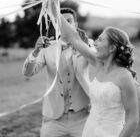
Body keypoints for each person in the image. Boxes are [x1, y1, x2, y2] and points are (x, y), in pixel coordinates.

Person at [60, 15, 139, 137]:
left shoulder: (124, 77)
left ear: (112, 48)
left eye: (100, 40)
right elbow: (74, 39)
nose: (95, 43)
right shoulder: (98, 65)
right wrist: (53, 4)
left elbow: (133, 119)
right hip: (90, 129)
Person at [22, 7, 92, 137]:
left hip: (82, 116)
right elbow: (28, 73)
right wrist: (36, 51)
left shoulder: (87, 44)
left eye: (69, 21)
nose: (65, 24)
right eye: (61, 21)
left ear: (75, 24)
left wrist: (85, 46)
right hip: (54, 118)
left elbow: (100, 61)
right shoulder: (47, 47)